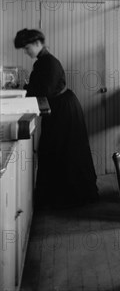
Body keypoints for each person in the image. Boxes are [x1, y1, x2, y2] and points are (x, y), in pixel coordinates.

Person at [13, 28, 98, 208]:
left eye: (27, 48)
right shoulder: (43, 61)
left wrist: (25, 90)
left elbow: (44, 90)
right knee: (55, 150)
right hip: (59, 108)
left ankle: (71, 198)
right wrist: (25, 88)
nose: (26, 52)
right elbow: (40, 86)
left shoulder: (48, 62)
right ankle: (57, 197)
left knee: (65, 151)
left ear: (38, 44)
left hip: (64, 110)